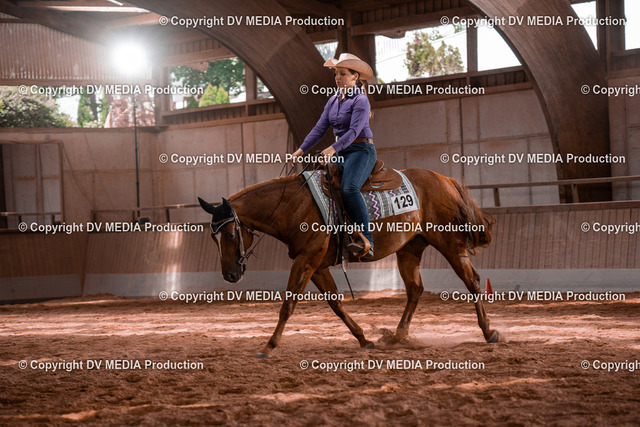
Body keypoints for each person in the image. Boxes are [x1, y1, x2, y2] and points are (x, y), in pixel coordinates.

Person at [291, 53, 377, 259]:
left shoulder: (361, 100)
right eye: (336, 74)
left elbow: (354, 131)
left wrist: (332, 149)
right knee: (318, 185)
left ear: (355, 77)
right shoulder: (332, 101)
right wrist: (300, 150)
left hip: (361, 150)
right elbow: (319, 129)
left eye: (343, 74)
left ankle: (367, 240)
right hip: (342, 151)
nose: (338, 77)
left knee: (349, 188)